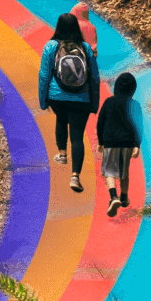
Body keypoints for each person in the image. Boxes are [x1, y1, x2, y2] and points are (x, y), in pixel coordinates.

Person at [39, 13, 101, 192]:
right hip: (81, 98)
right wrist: (94, 103)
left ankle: (62, 154)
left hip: (56, 96)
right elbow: (95, 77)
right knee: (77, 136)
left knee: (61, 119)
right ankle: (75, 177)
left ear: (58, 26)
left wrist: (43, 101)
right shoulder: (85, 47)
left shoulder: (51, 46)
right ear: (76, 28)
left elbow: (44, 75)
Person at [97, 72, 141, 216]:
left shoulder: (109, 102)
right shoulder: (135, 105)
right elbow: (139, 126)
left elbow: (100, 122)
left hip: (110, 141)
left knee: (109, 171)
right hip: (127, 142)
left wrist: (101, 141)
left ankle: (113, 196)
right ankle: (124, 197)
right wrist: (137, 144)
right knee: (123, 171)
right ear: (133, 89)